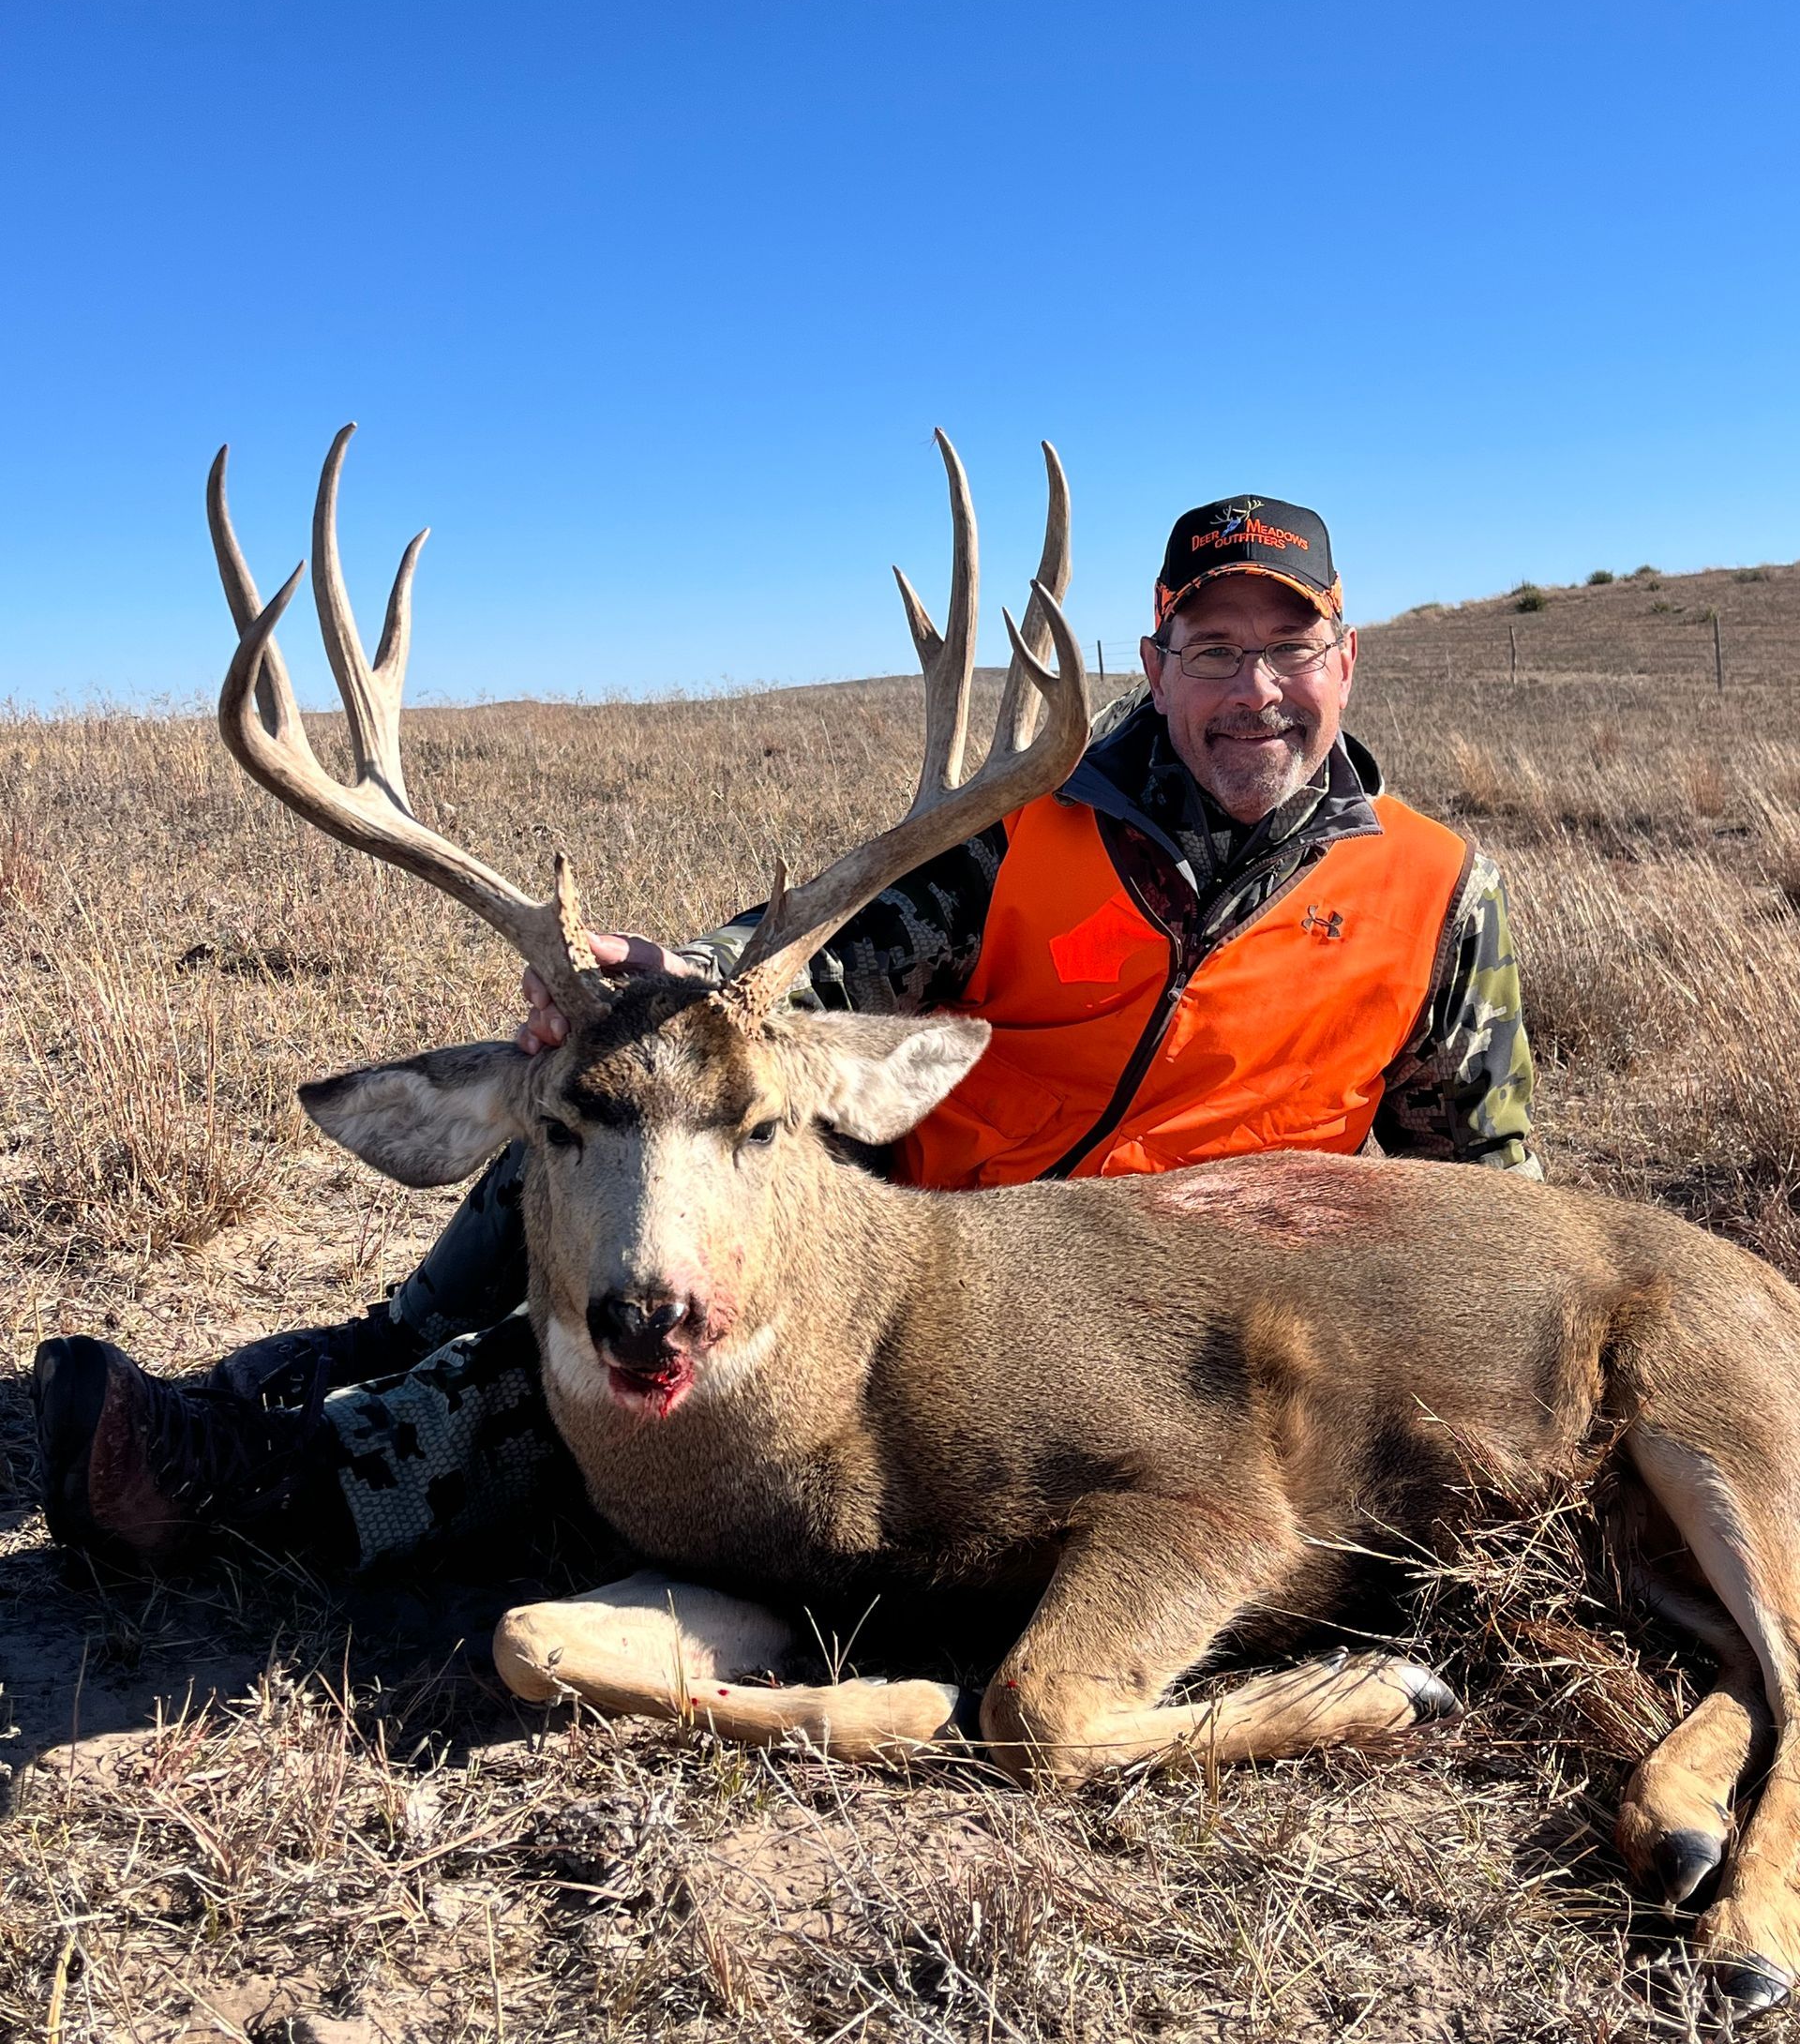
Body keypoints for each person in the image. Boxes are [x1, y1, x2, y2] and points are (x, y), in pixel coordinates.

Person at [33, 493, 1538, 1575]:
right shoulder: (1025, 835)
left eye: (1291, 649)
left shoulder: (1432, 890)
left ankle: (259, 1475)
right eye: (1213, 650)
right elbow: (787, 995)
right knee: (619, 1099)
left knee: (575, 1382)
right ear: (1155, 662)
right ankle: (364, 1350)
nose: (1254, 691)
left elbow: (1488, 1193)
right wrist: (655, 974)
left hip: (1199, 1313)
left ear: (1348, 655)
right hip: (945, 1261)